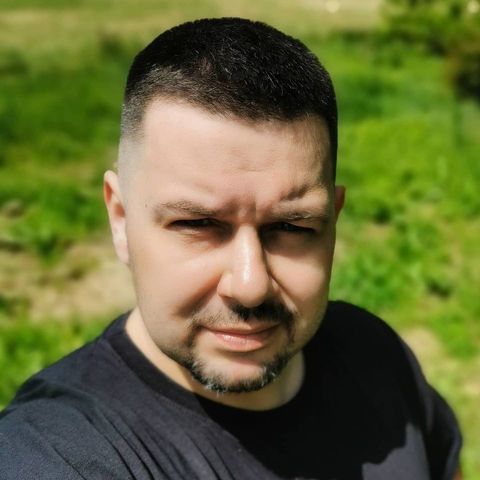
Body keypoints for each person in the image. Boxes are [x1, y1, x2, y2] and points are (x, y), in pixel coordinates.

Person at [0, 17, 462, 480]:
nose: (250, 285)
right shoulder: (58, 453)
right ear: (120, 219)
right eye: (197, 224)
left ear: (333, 222)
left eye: (292, 226)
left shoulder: (374, 354)